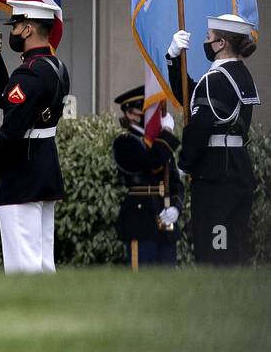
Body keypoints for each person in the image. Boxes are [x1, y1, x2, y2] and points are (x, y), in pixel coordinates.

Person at [0, 0, 69, 274]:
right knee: (43, 261)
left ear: (28, 29)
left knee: (23, 264)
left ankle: (30, 315)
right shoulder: (56, 67)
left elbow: (14, 125)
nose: (13, 32)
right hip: (43, 168)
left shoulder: (29, 72)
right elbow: (15, 101)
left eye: (16, 26)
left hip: (22, 173)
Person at [166, 14, 259, 265]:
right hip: (236, 169)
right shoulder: (239, 74)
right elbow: (191, 99)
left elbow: (199, 127)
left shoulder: (216, 79)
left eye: (209, 38)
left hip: (216, 176)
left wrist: (183, 166)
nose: (206, 42)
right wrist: (174, 60)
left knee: (215, 252)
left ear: (221, 43)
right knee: (231, 249)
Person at [110, 85, 182, 268]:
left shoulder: (160, 143)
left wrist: (175, 208)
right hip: (140, 220)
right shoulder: (124, 143)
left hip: (165, 223)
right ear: (132, 114)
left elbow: (175, 183)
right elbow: (151, 162)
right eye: (149, 111)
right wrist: (167, 134)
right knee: (142, 283)